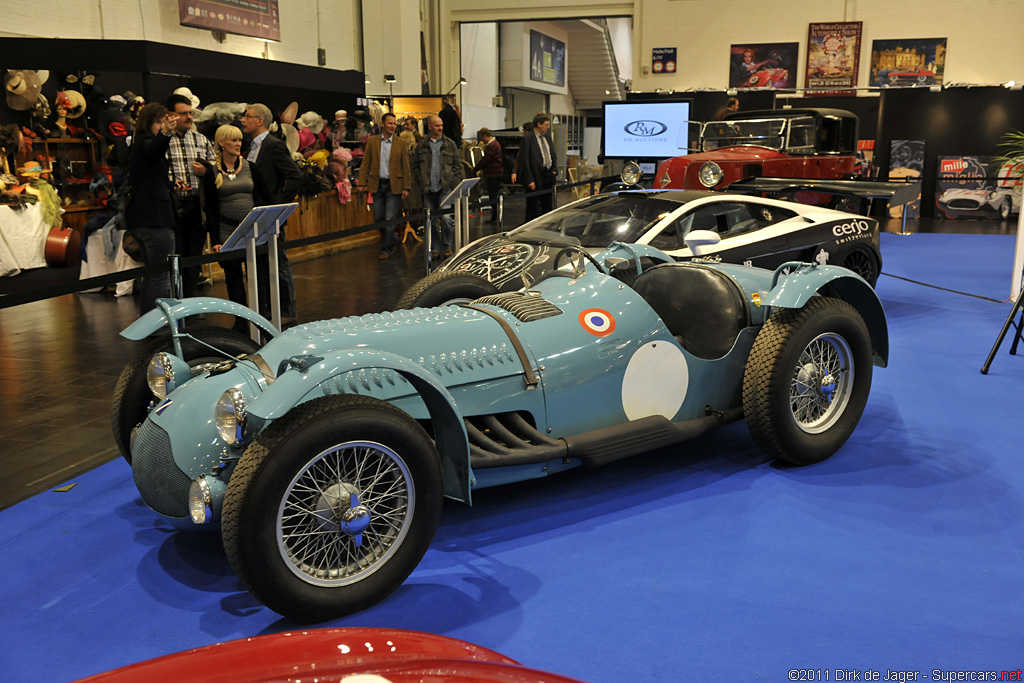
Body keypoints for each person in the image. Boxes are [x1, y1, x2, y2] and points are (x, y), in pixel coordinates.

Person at [201, 124, 272, 331]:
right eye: (233, 140)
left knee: (258, 276)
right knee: (233, 279)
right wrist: (215, 240)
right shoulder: (212, 172)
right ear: (222, 143)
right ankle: (241, 320)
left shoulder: (251, 167)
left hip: (253, 232)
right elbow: (211, 209)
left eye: (240, 140)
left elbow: (267, 198)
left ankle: (261, 317)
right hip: (226, 232)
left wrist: (270, 225)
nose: (238, 144)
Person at [241, 102, 303, 322]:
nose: (242, 120)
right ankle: (266, 308)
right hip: (254, 216)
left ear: (259, 120)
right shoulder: (250, 146)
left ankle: (287, 311)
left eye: (247, 116)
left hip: (270, 217)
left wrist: (278, 208)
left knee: (279, 263)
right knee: (260, 265)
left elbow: (295, 176)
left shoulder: (273, 145)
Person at [126, 102, 178, 315]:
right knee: (160, 275)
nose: (163, 125)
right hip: (153, 219)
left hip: (144, 217)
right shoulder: (144, 142)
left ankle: (149, 322)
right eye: (159, 121)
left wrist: (172, 185)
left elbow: (150, 177)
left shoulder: (141, 145)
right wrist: (166, 132)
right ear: (149, 123)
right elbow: (155, 149)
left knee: (153, 274)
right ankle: (156, 325)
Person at [164, 93, 216, 298]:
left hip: (196, 204)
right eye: (183, 114)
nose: (189, 117)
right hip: (172, 205)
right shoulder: (163, 140)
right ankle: (176, 300)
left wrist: (207, 171)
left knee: (195, 255)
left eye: (190, 113)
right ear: (170, 115)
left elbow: (215, 167)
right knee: (175, 254)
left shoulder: (201, 140)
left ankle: (192, 299)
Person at [358, 111, 412, 260]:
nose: (393, 126)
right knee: (377, 217)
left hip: (394, 186)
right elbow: (365, 164)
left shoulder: (401, 143)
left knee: (390, 218)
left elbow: (406, 167)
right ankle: (393, 239)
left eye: (394, 124)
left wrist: (406, 187)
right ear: (382, 124)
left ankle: (386, 249)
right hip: (377, 184)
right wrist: (362, 183)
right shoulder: (373, 141)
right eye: (390, 123)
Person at [413, 115, 463, 258]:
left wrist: (451, 181)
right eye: (437, 125)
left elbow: (458, 165)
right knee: (432, 221)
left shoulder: (450, 144)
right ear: (429, 126)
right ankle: (435, 248)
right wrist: (420, 180)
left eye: (441, 125)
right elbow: (415, 165)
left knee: (446, 218)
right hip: (428, 189)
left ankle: (447, 246)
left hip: (445, 188)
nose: (440, 128)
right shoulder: (422, 145)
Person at [519, 113, 557, 221]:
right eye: (546, 125)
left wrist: (554, 170)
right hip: (535, 176)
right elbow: (525, 160)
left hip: (548, 175)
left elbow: (553, 154)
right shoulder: (528, 138)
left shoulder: (547, 137)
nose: (548, 127)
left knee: (547, 205)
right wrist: (530, 180)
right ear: (539, 124)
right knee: (533, 206)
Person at [473, 127, 503, 225]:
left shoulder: (491, 146)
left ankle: (495, 217)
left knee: (493, 196)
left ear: (485, 136)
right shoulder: (496, 144)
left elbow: (485, 160)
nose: (482, 141)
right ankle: (496, 217)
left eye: (482, 138)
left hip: (493, 174)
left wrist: (475, 169)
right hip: (495, 173)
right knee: (493, 196)